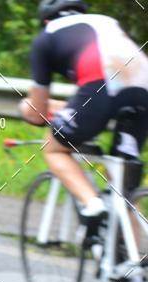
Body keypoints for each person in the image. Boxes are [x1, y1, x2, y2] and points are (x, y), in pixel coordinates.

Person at [19, 1, 148, 237]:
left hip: (101, 85)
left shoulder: (46, 37)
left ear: (46, 20)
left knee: (53, 148)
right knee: (124, 183)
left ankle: (92, 204)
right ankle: (128, 256)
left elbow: (37, 110)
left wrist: (26, 109)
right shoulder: (107, 22)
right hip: (143, 89)